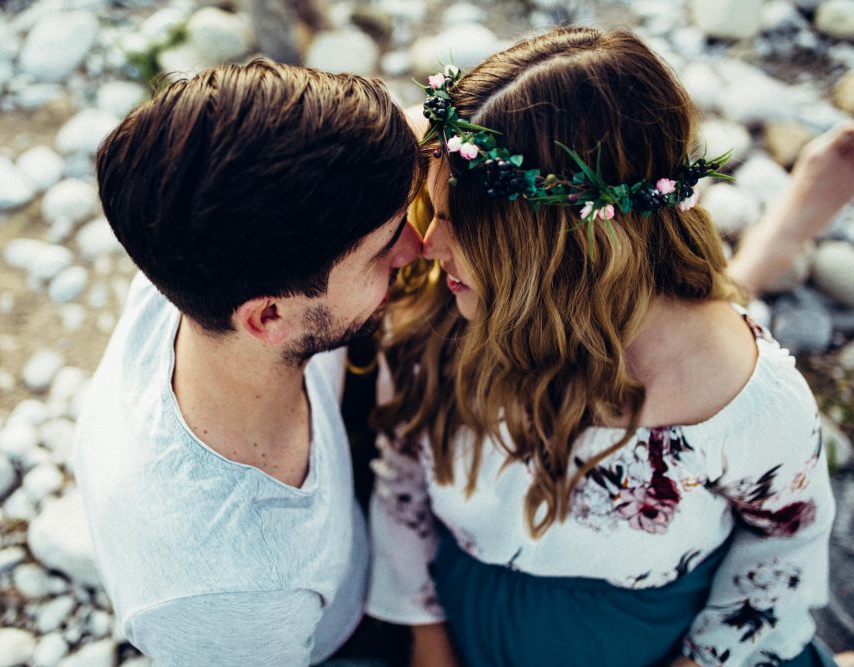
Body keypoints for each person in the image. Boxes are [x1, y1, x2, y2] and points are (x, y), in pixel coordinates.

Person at [367, 27, 841, 667]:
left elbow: (782, 549)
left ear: (553, 246)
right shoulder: (439, 319)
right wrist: (429, 644)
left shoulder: (745, 401)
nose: (425, 247)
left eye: (452, 224)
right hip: (461, 632)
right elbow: (401, 483)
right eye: (432, 213)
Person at [73, 59, 423, 666]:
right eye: (384, 248)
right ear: (268, 318)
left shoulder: (194, 245)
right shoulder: (234, 594)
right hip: (335, 639)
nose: (417, 248)